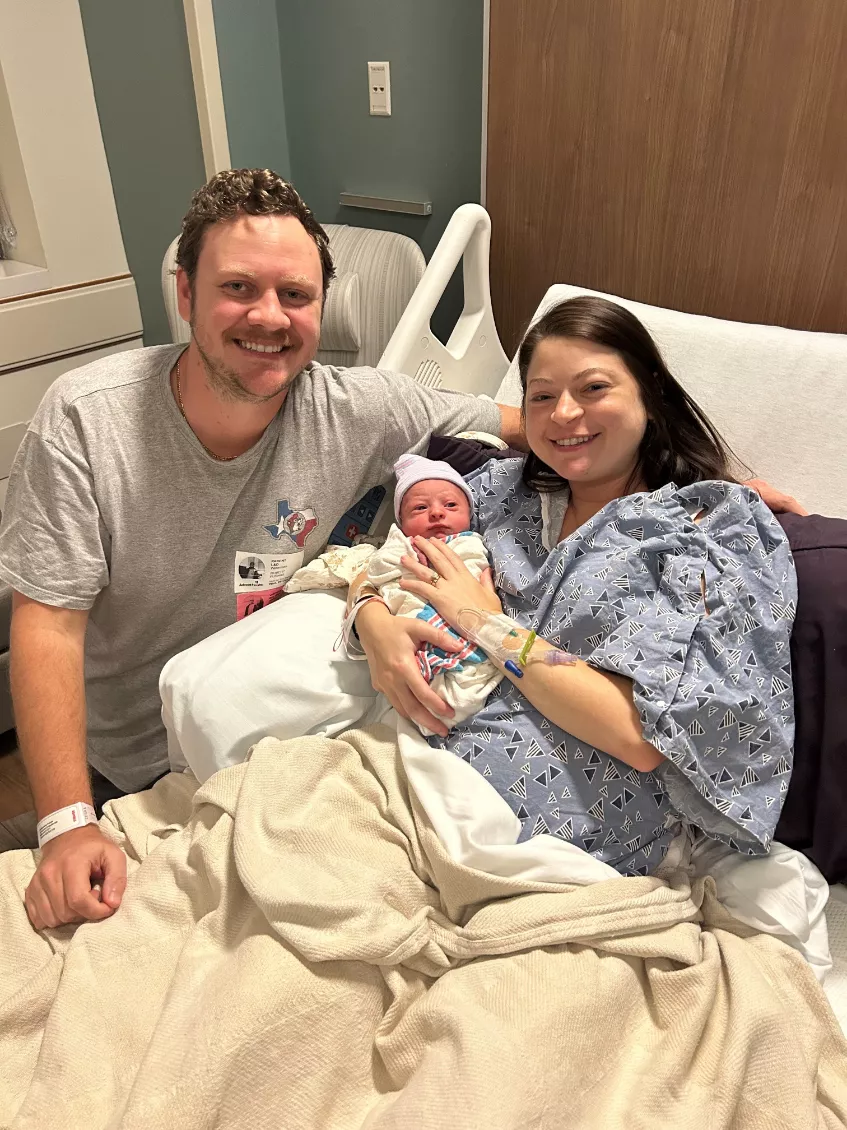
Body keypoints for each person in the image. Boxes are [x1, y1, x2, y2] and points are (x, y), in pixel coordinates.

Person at [0, 168, 525, 930]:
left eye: (296, 296)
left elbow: (541, 422)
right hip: (132, 770)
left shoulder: (361, 409)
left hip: (274, 748)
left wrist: (721, 472)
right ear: (185, 295)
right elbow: (47, 624)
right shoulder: (88, 422)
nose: (269, 318)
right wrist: (66, 821)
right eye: (238, 288)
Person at [353, 296, 797, 875]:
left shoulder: (704, 527)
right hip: (400, 777)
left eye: (593, 389)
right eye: (542, 396)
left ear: (650, 392)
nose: (563, 414)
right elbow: (387, 558)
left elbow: (639, 736)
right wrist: (371, 618)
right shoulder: (494, 491)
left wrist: (484, 623)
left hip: (557, 848)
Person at [341, 453, 505, 734]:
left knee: (463, 683)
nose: (437, 513)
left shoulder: (472, 543)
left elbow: (479, 572)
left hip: (469, 627)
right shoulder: (400, 547)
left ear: (470, 515)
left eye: (451, 504)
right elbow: (378, 574)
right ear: (401, 523)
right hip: (409, 629)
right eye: (419, 508)